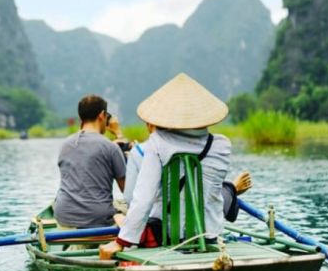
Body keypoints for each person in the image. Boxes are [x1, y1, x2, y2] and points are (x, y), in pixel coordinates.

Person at [99, 73, 237, 259]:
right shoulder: (222, 145)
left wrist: (121, 242)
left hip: (168, 237)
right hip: (212, 235)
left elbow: (143, 198)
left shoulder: (157, 143)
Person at [53, 95, 127, 228]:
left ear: (81, 117)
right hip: (98, 219)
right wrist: (119, 134)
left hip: (63, 216)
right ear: (102, 115)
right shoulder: (111, 147)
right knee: (127, 210)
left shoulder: (65, 144)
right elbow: (127, 191)